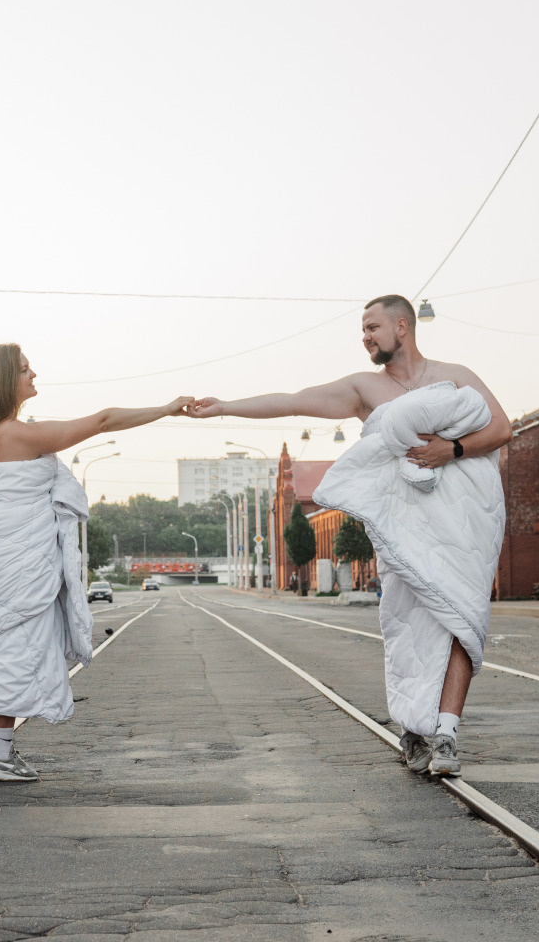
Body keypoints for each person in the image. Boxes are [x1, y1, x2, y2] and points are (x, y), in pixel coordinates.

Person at [190, 294, 511, 778]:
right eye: (362, 330)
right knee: (404, 631)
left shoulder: (457, 376)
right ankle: (411, 724)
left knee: (462, 622)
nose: (365, 337)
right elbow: (295, 399)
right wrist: (224, 408)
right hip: (403, 537)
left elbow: (502, 427)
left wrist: (454, 448)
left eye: (372, 327)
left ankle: (446, 735)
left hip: (460, 530)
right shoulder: (364, 389)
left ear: (402, 327)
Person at [0, 343, 191, 783]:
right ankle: (0, 757)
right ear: (4, 380)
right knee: (17, 653)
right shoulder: (23, 436)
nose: (34, 375)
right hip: (18, 569)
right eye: (26, 370)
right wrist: (166, 409)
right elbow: (104, 420)